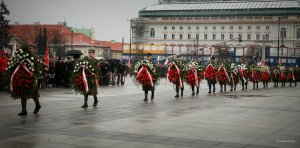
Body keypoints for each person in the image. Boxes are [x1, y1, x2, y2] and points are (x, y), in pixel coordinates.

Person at [7, 45, 41, 116]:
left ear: (34, 50)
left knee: (34, 94)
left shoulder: (35, 58)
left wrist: (33, 74)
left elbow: (37, 68)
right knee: (23, 93)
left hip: (32, 78)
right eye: (29, 49)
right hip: (23, 78)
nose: (31, 50)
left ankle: (37, 104)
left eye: (32, 49)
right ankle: (24, 110)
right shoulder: (23, 56)